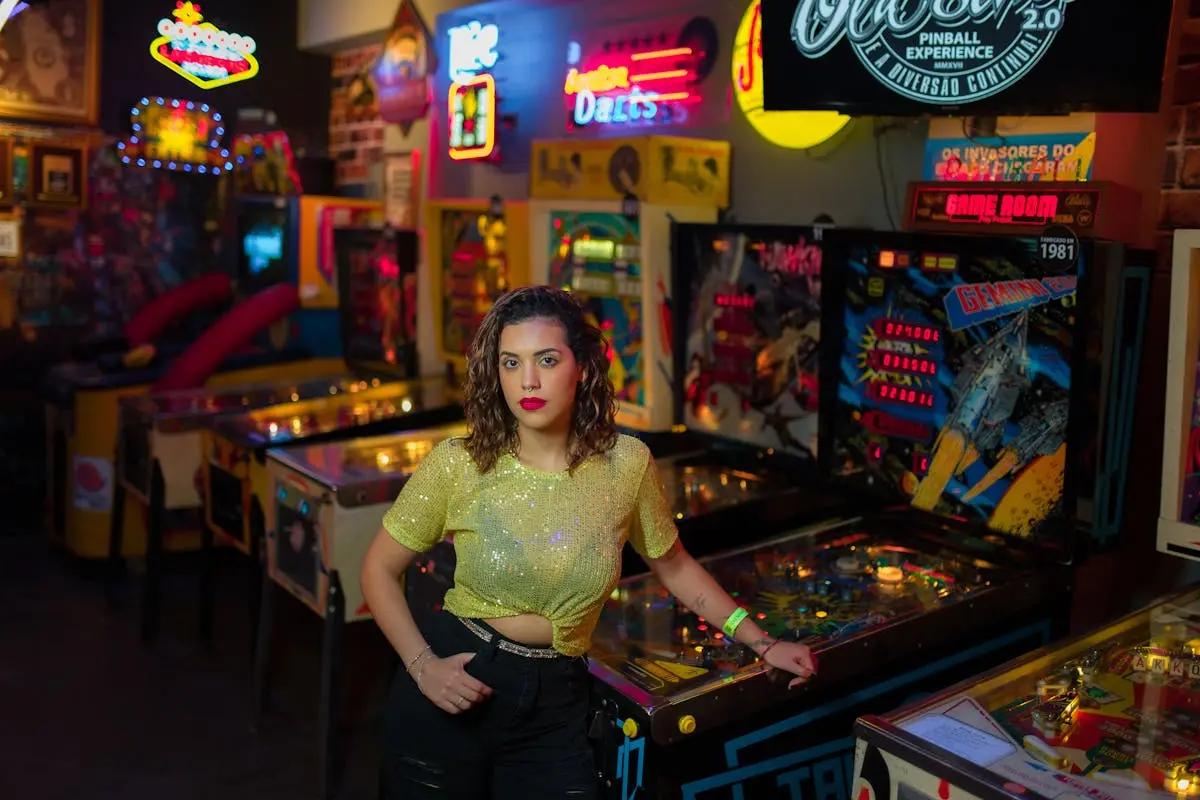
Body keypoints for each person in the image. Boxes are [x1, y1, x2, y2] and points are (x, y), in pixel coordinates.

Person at [361, 285, 817, 799]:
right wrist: (423, 668)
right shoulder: (459, 462)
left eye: (547, 360)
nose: (527, 381)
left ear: (582, 367)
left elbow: (674, 565)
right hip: (456, 684)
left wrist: (760, 641)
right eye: (511, 363)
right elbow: (377, 568)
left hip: (556, 703)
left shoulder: (626, 465)